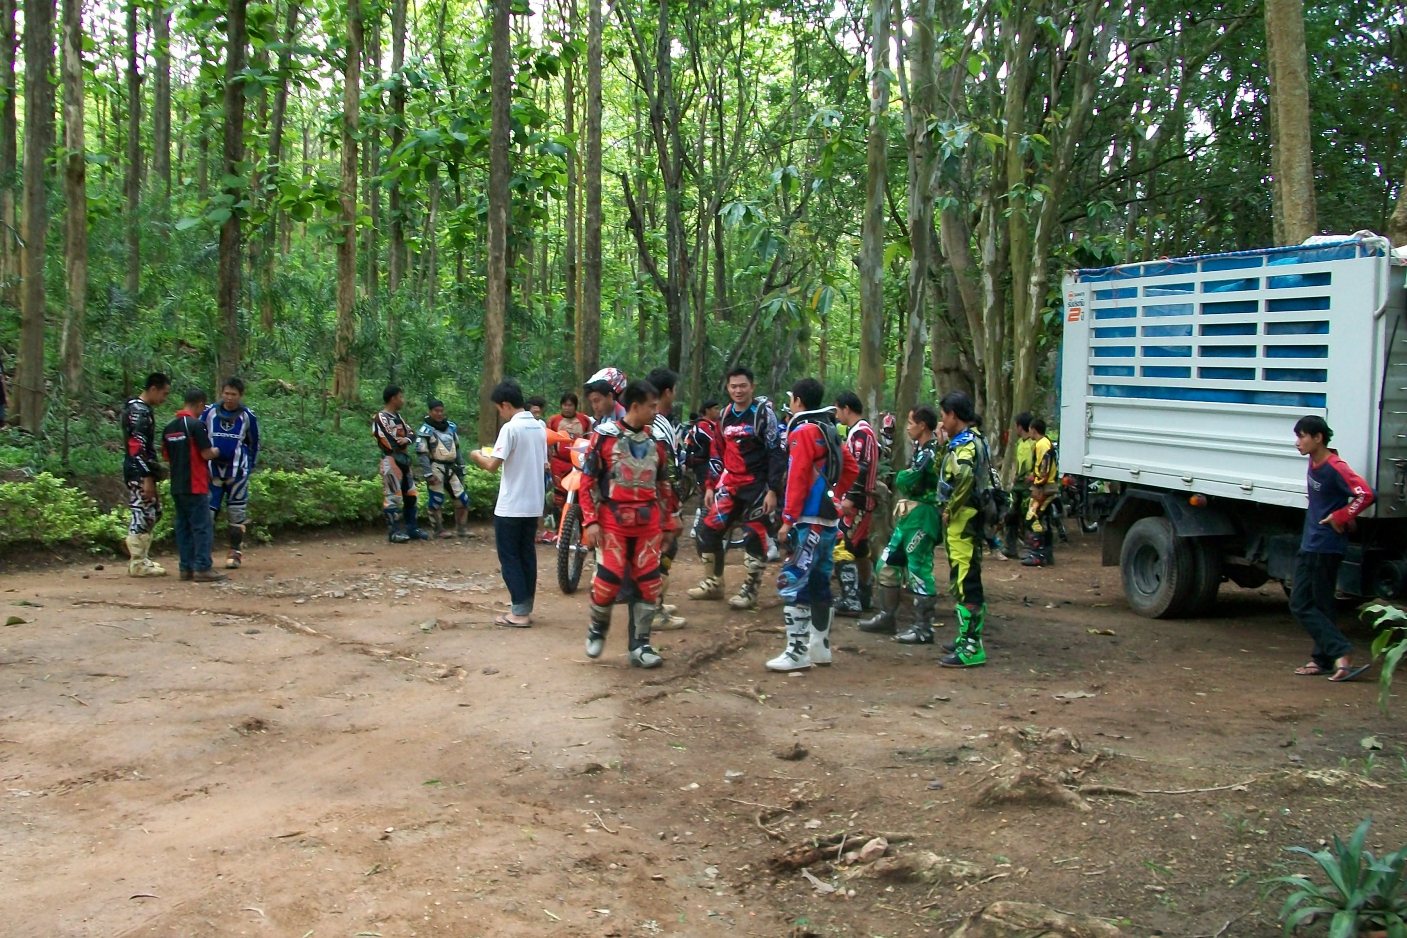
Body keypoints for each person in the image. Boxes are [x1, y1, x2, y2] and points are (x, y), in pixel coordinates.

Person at [580, 379, 679, 668]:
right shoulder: (604, 438)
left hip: (648, 523)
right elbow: (586, 482)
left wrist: (669, 522)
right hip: (613, 521)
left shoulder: (657, 441)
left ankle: (640, 645)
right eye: (651, 406)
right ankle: (598, 628)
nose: (655, 411)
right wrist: (590, 521)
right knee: (608, 579)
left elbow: (664, 484)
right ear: (635, 406)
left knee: (649, 582)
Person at [768, 378, 858, 671]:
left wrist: (787, 519)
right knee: (820, 581)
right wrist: (835, 496)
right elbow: (851, 467)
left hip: (807, 520)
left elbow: (797, 477)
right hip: (829, 520)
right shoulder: (829, 428)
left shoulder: (803, 431)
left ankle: (796, 652)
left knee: (794, 581)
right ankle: (820, 648)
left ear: (797, 401)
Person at [689, 367, 787, 610]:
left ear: (752, 387)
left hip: (757, 486)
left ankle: (750, 590)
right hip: (730, 485)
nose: (738, 390)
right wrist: (710, 486)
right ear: (727, 388)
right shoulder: (724, 415)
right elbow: (717, 453)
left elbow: (776, 452)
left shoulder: (763, 414)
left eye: (743, 385)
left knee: (754, 535)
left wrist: (773, 489)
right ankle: (714, 583)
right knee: (707, 530)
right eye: (733, 386)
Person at [1290, 415, 1374, 682]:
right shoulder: (1314, 461)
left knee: (1300, 603)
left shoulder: (1335, 467)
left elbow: (1365, 494)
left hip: (1324, 546)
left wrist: (1342, 516)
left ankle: (1340, 651)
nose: (1297, 442)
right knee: (1320, 604)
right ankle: (1323, 659)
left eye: (1302, 436)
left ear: (1318, 438)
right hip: (1312, 542)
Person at [859, 406, 943, 642]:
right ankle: (887, 617)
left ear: (922, 425)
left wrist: (902, 476)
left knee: (918, 568)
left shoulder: (931, 452)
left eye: (910, 422)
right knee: (887, 564)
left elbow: (908, 479)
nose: (907, 427)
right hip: (908, 516)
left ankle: (923, 628)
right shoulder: (920, 449)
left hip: (923, 516)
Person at [469, 379, 549, 627]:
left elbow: (492, 465)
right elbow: (543, 463)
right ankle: (524, 605)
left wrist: (476, 456)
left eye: (498, 409)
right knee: (527, 554)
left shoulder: (511, 428)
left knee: (510, 557)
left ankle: (519, 612)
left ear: (505, 404)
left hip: (512, 504)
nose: (500, 414)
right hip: (533, 503)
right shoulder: (539, 427)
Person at [937, 391, 990, 669]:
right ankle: (965, 637)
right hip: (967, 518)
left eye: (944, 416)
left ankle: (972, 646)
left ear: (954, 415)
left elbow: (966, 475)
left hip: (964, 519)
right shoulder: (971, 438)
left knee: (966, 579)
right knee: (961, 575)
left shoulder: (966, 443)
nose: (942, 422)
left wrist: (951, 507)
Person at [162, 388, 226, 582]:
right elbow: (206, 453)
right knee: (202, 526)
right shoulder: (196, 425)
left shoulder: (169, 427)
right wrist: (217, 451)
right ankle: (202, 567)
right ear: (199, 404)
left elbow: (166, 456)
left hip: (177, 485)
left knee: (183, 526)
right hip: (196, 484)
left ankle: (186, 567)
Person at [645, 367, 689, 631]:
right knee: (663, 548)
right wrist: (672, 509)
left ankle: (655, 602)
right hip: (660, 500)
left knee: (662, 549)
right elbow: (666, 470)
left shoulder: (659, 421)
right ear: (667, 392)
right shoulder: (658, 426)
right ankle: (654, 608)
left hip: (657, 498)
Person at [202, 377, 261, 569]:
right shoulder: (209, 412)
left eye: (233, 394)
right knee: (207, 513)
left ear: (240, 395)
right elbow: (199, 436)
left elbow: (254, 443)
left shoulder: (248, 416)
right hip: (212, 472)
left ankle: (235, 552)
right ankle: (203, 554)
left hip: (237, 473)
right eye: (226, 393)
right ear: (221, 393)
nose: (229, 397)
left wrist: (249, 466)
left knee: (236, 513)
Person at [833, 391, 880, 617]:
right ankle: (864, 594)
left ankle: (850, 598)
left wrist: (850, 498)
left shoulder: (861, 432)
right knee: (860, 547)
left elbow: (860, 466)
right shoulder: (860, 431)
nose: (837, 415)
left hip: (858, 502)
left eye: (837, 410)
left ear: (846, 409)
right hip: (861, 500)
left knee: (841, 544)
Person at [122, 372, 173, 577]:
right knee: (142, 512)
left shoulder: (137, 408)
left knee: (152, 511)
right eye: (164, 393)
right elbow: (137, 447)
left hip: (140, 468)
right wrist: (146, 476)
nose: (164, 398)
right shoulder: (139, 412)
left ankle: (141, 558)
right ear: (153, 389)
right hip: (138, 471)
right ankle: (137, 562)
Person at [372, 386, 429, 543]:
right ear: (393, 398)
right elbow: (384, 437)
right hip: (390, 459)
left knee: (411, 494)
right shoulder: (381, 417)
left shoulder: (398, 417)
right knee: (393, 496)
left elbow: (411, 433)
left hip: (404, 459)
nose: (402, 400)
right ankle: (394, 531)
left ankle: (412, 528)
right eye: (400, 397)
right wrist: (399, 444)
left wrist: (406, 439)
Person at [416, 398, 471, 538]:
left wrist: (461, 465)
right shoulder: (425, 430)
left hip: (452, 467)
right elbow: (422, 453)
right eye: (436, 411)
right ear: (430, 412)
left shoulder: (451, 427)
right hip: (436, 467)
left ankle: (461, 529)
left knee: (462, 499)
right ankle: (438, 530)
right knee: (436, 499)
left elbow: (457, 448)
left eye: (441, 411)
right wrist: (428, 473)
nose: (439, 413)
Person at [546, 392, 593, 530]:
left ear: (575, 406)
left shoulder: (585, 420)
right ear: (561, 406)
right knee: (559, 495)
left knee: (580, 493)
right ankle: (558, 528)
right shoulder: (553, 420)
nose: (567, 408)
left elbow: (590, 440)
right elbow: (547, 441)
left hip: (579, 463)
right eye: (565, 405)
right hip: (558, 463)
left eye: (570, 405)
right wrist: (547, 460)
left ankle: (580, 526)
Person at [1022, 417, 1058, 567]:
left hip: (1044, 488)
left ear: (1033, 430)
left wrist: (1037, 481)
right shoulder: (1045, 442)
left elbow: (1044, 468)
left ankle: (1038, 555)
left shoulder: (1042, 444)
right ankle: (1046, 554)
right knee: (1044, 520)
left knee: (1032, 518)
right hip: (1047, 485)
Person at [1002, 412, 1034, 559]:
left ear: (1020, 426)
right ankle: (1010, 547)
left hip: (1029, 485)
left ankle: (1030, 549)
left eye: (1016, 426)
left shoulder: (1034, 444)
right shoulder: (1020, 443)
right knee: (1011, 515)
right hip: (1018, 485)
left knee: (1029, 516)